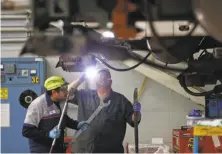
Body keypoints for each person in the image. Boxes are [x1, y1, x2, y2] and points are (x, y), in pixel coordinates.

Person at [70, 68, 142, 153]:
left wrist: (137, 112)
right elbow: (67, 93)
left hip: (110, 150)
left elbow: (134, 121)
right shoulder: (84, 95)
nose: (102, 78)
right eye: (100, 76)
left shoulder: (121, 101)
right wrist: (80, 79)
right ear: (95, 80)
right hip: (83, 149)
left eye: (105, 77)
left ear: (110, 81)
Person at [22, 76, 89, 153]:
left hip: (58, 148)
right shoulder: (38, 105)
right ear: (54, 92)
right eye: (63, 89)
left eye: (66, 88)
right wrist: (48, 134)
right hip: (43, 150)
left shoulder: (59, 101)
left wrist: (77, 125)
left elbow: (62, 119)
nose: (66, 91)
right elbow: (27, 131)